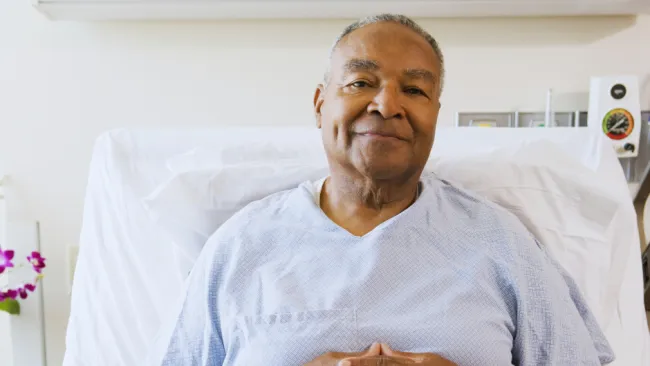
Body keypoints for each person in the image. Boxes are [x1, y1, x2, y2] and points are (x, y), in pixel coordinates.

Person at [149, 14, 615, 366]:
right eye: (360, 82)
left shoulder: (503, 245)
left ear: (435, 113)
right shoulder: (240, 247)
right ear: (320, 102)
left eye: (414, 90)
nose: (387, 104)